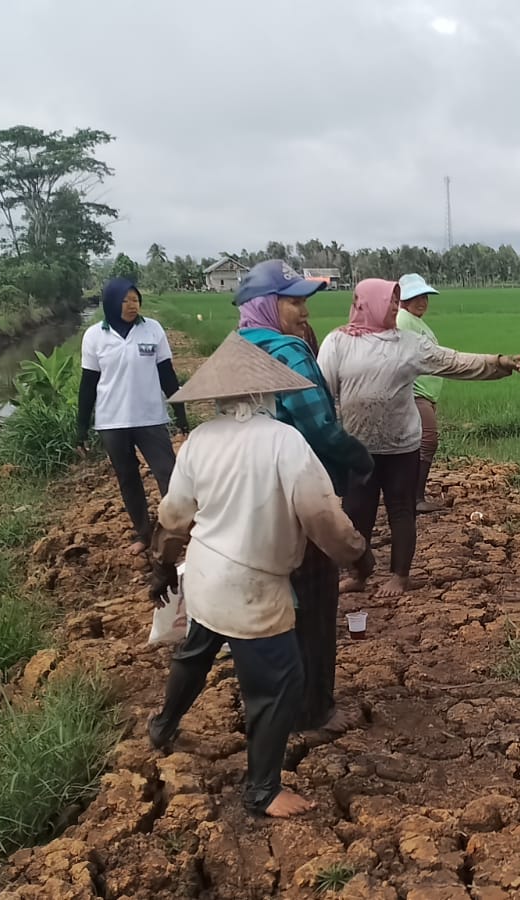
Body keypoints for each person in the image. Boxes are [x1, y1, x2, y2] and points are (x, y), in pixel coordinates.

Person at [145, 332, 369, 819]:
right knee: (281, 682)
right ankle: (262, 790)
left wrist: (161, 564)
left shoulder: (200, 440)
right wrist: (356, 553)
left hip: (205, 575)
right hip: (253, 589)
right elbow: (321, 515)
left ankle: (162, 725)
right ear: (268, 393)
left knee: (196, 652)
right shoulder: (285, 441)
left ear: (219, 398)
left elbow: (175, 513)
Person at [317, 278, 520, 599]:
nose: (393, 306)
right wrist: (332, 436)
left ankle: (399, 576)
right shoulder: (338, 342)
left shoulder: (408, 343)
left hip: (401, 445)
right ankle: (358, 573)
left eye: (395, 301)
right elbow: (324, 391)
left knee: (402, 510)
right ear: (365, 304)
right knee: (357, 512)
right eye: (389, 301)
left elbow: (453, 361)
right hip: (357, 447)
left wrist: (496, 363)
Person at [233, 259, 375, 734]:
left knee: (273, 606)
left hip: (250, 501)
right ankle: (315, 711)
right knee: (314, 606)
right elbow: (321, 429)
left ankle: (274, 704)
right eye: (293, 302)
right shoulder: (288, 352)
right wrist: (359, 459)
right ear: (266, 306)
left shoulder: (235, 350)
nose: (304, 312)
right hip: (298, 498)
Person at [77, 277, 190, 555]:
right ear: (111, 302)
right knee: (128, 478)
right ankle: (143, 533)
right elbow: (88, 384)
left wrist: (181, 414)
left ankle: (178, 531)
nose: (132, 305)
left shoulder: (152, 329)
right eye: (125, 300)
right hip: (112, 421)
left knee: (168, 473)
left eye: (135, 299)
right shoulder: (94, 336)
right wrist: (81, 428)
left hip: (150, 417)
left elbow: (167, 375)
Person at [394, 273, 445, 513]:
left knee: (416, 444)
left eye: (424, 297)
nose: (422, 301)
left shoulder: (414, 321)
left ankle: (407, 494)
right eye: (415, 297)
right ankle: (415, 498)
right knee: (428, 441)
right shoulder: (403, 319)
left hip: (424, 393)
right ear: (403, 300)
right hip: (415, 392)